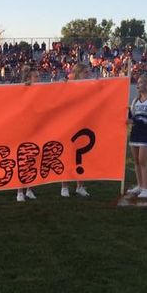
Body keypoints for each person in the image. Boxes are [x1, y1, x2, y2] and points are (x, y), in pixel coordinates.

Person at [61, 63, 91, 198]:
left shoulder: (89, 86)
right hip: (68, 124)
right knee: (67, 156)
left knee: (82, 157)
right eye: (86, 72)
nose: (88, 74)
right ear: (79, 73)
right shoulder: (68, 84)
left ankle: (80, 186)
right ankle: (64, 186)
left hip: (83, 125)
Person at [17, 66, 39, 202]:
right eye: (35, 76)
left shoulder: (40, 90)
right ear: (28, 78)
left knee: (34, 160)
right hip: (23, 129)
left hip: (36, 128)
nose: (38, 78)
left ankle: (29, 189)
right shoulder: (21, 89)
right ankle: (19, 191)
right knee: (23, 161)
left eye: (38, 76)